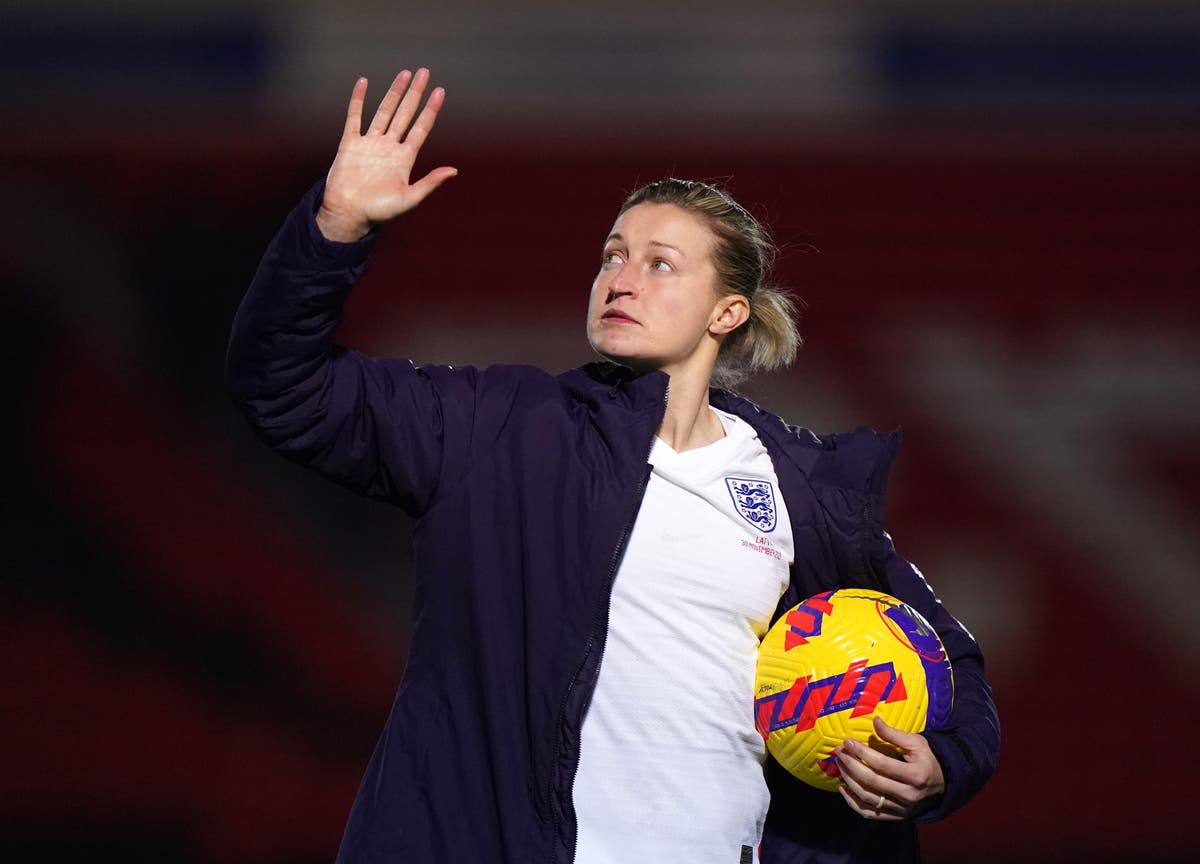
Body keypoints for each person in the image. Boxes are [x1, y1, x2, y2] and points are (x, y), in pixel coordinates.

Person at [227, 68, 999, 864]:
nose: (620, 279)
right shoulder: (500, 428)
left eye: (660, 263)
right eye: (611, 256)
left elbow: (948, 654)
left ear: (727, 312)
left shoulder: (798, 486)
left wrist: (944, 764)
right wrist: (336, 228)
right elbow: (282, 387)